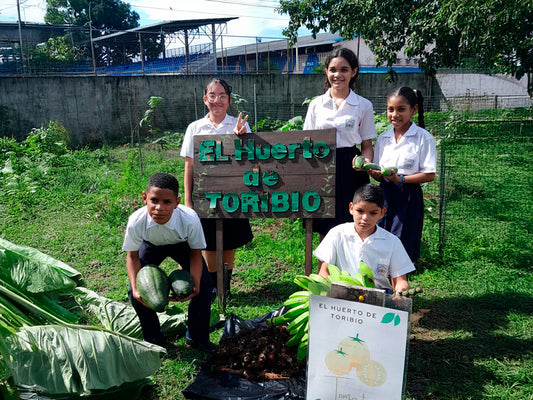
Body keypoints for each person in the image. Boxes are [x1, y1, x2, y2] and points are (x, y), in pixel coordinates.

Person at [122, 172, 215, 352]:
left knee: (204, 287)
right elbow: (132, 257)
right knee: (135, 295)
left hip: (183, 245)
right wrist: (135, 288)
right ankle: (153, 337)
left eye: (167, 202)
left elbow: (196, 254)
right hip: (151, 245)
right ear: (144, 198)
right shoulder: (136, 221)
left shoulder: (189, 219)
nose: (159, 207)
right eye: (154, 200)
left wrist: (195, 285)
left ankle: (197, 337)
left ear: (177, 202)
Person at [180, 77, 254, 298]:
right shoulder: (195, 127)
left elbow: (251, 158)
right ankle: (213, 286)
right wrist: (188, 200)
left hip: (233, 194)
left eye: (222, 95)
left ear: (229, 100)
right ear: (205, 100)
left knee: (229, 240)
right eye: (212, 95)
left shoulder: (239, 124)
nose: (217, 100)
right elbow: (189, 165)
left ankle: (226, 286)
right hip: (205, 195)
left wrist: (242, 138)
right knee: (209, 242)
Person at [303, 47, 376, 240]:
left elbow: (367, 144)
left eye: (344, 69)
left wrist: (365, 162)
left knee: (353, 223)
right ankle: (324, 270)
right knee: (324, 225)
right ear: (326, 72)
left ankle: (351, 268)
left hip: (351, 169)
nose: (338, 75)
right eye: (333, 69)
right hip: (321, 167)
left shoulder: (363, 105)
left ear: (354, 72)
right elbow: (306, 142)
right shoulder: (316, 105)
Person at [368, 87, 437, 262]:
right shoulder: (383, 138)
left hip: (408, 193)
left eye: (401, 109)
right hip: (385, 192)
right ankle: (381, 268)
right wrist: (372, 171)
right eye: (390, 109)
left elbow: (429, 174)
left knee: (404, 232)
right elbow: (378, 174)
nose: (394, 115)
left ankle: (401, 272)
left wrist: (401, 179)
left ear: (413, 110)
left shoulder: (423, 137)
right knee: (382, 229)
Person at [314, 183, 414, 294]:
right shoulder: (337, 234)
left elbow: (400, 280)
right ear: (351, 208)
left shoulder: (392, 242)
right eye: (360, 211)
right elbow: (324, 271)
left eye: (373, 213)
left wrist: (401, 290)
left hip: (379, 294)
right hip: (342, 293)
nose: (365, 218)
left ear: (382, 213)